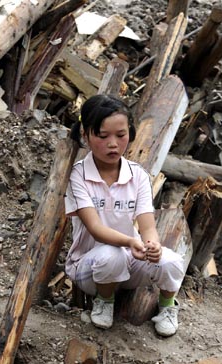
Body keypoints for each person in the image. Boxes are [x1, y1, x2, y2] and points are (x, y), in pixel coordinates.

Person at [64, 94, 185, 337]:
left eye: (121, 135)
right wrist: (131, 241)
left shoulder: (137, 175)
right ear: (86, 135)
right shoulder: (78, 175)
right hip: (89, 268)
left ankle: (167, 307)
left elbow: (147, 225)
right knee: (112, 255)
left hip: (128, 264)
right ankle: (104, 300)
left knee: (172, 261)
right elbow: (95, 228)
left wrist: (151, 244)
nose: (113, 144)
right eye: (103, 136)